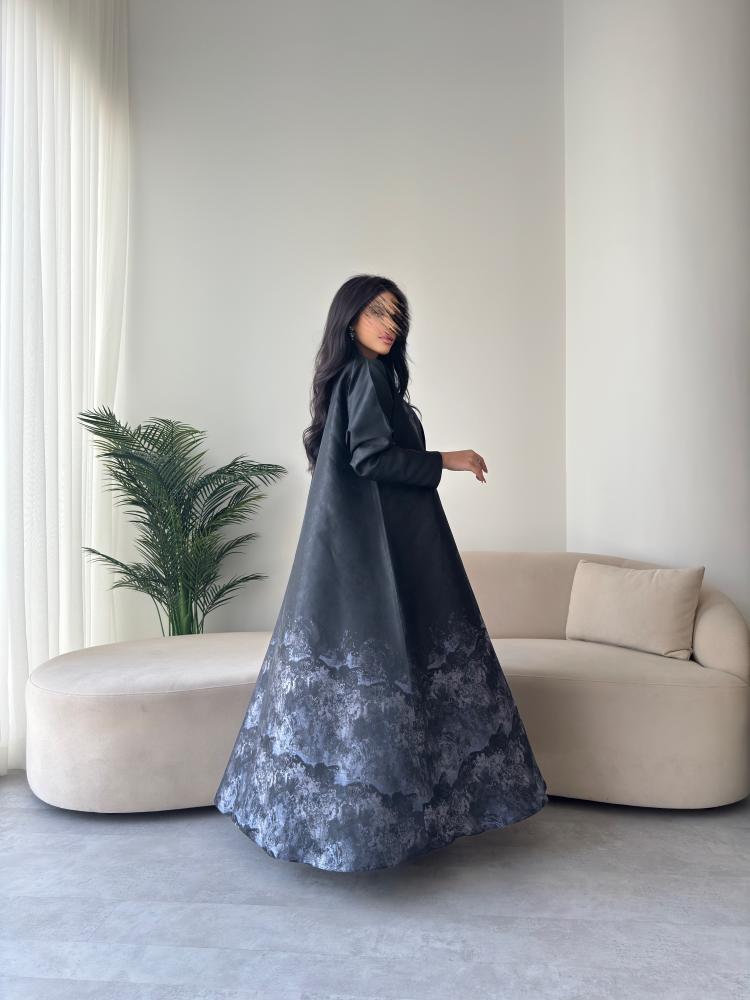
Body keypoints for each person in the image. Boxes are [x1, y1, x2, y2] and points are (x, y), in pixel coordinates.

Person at [214, 274, 548, 872]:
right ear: (350, 320)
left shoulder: (353, 378)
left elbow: (356, 460)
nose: (389, 325)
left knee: (356, 679)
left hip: (372, 546)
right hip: (388, 549)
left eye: (397, 316)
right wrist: (445, 459)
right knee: (410, 663)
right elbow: (370, 456)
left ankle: (333, 823)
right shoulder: (365, 376)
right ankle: (401, 823)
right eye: (376, 312)